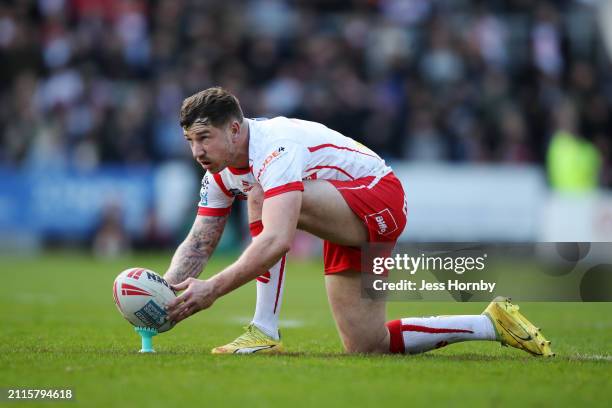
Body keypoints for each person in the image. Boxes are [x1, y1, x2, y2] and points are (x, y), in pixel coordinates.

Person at [164, 87, 554, 357]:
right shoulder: (218, 170)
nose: (197, 151)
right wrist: (163, 295)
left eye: (204, 138)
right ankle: (491, 324)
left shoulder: (274, 148)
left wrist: (212, 289)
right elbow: (199, 243)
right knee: (368, 345)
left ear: (234, 128)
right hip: (342, 211)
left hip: (379, 197)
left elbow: (278, 239)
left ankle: (263, 328)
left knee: (264, 194)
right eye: (190, 141)